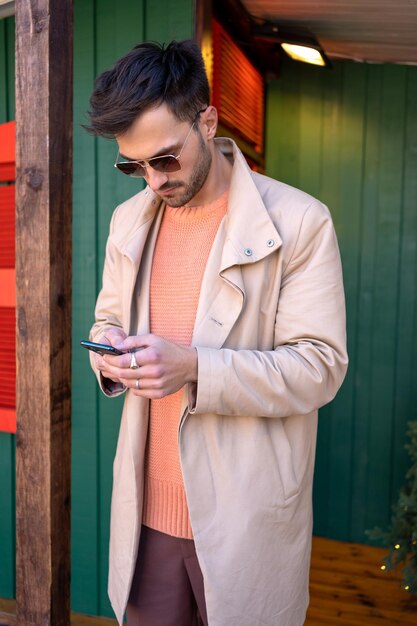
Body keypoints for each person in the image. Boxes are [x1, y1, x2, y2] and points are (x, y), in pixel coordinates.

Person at [85, 39, 348, 626]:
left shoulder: (300, 222)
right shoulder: (128, 220)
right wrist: (110, 357)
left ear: (207, 120)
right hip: (148, 513)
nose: (152, 180)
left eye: (166, 159)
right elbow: (108, 319)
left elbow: (320, 367)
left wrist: (195, 366)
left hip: (241, 520)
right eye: (134, 165)